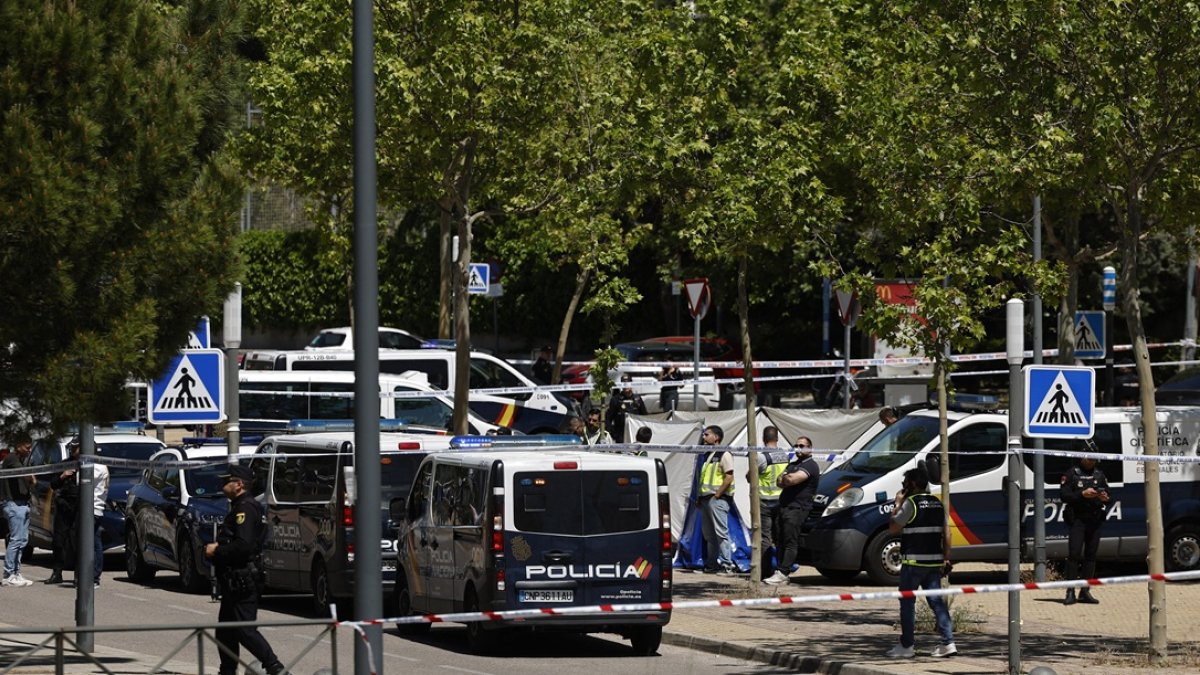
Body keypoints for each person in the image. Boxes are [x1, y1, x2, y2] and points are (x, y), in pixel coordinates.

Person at [205, 465, 288, 675]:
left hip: (243, 579)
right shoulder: (240, 506)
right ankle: (227, 671)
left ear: (239, 484)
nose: (223, 484)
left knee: (245, 630)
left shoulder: (245, 509)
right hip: (234, 580)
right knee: (226, 632)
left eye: (227, 481)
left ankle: (276, 669)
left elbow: (244, 546)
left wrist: (218, 550)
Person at [886, 467, 956, 659]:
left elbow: (893, 528)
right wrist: (946, 558)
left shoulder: (911, 503)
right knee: (936, 602)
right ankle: (948, 642)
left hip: (913, 563)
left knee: (907, 602)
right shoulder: (937, 503)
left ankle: (907, 645)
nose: (903, 487)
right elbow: (947, 534)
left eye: (904, 483)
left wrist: (897, 505)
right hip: (933, 563)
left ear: (913, 484)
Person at [765, 435, 820, 585]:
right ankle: (780, 571)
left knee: (790, 541)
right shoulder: (793, 464)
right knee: (779, 539)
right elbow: (779, 481)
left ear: (810, 448)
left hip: (797, 508)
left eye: (802, 446)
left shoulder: (811, 465)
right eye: (796, 446)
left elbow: (790, 480)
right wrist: (785, 478)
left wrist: (785, 478)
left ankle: (783, 572)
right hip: (783, 507)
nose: (798, 448)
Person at [1061, 450, 1110, 605]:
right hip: (1077, 520)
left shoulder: (1099, 475)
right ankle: (1070, 592)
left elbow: (1108, 494)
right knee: (1074, 554)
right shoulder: (1071, 473)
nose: (1091, 461)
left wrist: (1105, 497)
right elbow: (1064, 495)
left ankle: (1085, 591)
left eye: (1094, 459)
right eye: (1089, 458)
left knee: (1091, 555)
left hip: (1095, 520)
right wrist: (1082, 494)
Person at [749, 426, 790, 581]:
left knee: (765, 538)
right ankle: (780, 570)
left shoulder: (761, 457)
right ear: (777, 438)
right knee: (779, 537)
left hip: (765, 502)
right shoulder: (785, 455)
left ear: (763, 439)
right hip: (781, 501)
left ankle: (764, 571)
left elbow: (750, 476)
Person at [697, 425, 737, 574]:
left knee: (721, 533)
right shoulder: (708, 454)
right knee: (709, 535)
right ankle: (712, 565)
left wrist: (718, 495)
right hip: (707, 499)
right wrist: (700, 497)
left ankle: (727, 566)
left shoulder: (724, 454)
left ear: (716, 438)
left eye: (707, 434)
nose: (704, 437)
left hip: (717, 499)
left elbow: (729, 477)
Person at [45, 441, 82, 584]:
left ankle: (79, 575)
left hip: (80, 506)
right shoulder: (64, 463)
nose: (73, 450)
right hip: (64, 505)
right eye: (72, 447)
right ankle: (57, 572)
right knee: (58, 541)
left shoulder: (89, 464)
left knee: (78, 542)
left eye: (76, 447)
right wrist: (63, 476)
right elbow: (53, 484)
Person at [1, 435, 35, 587]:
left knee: (23, 541)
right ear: (19, 445)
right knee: (16, 540)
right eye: (27, 447)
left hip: (23, 503)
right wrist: (31, 476)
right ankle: (8, 574)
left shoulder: (20, 459)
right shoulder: (12, 459)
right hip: (13, 504)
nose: (29, 451)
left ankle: (16, 572)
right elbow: (24, 473)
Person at [85, 450, 109, 588]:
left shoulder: (96, 466)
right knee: (95, 542)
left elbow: (83, 482)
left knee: (92, 544)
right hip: (95, 508)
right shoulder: (100, 465)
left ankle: (93, 577)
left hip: (92, 508)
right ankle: (92, 576)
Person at [607, 375, 648, 443]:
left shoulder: (637, 399)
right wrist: (613, 434)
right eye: (623, 383)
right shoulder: (616, 400)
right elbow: (608, 418)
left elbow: (645, 416)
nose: (626, 386)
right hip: (621, 434)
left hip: (636, 433)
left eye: (627, 383)